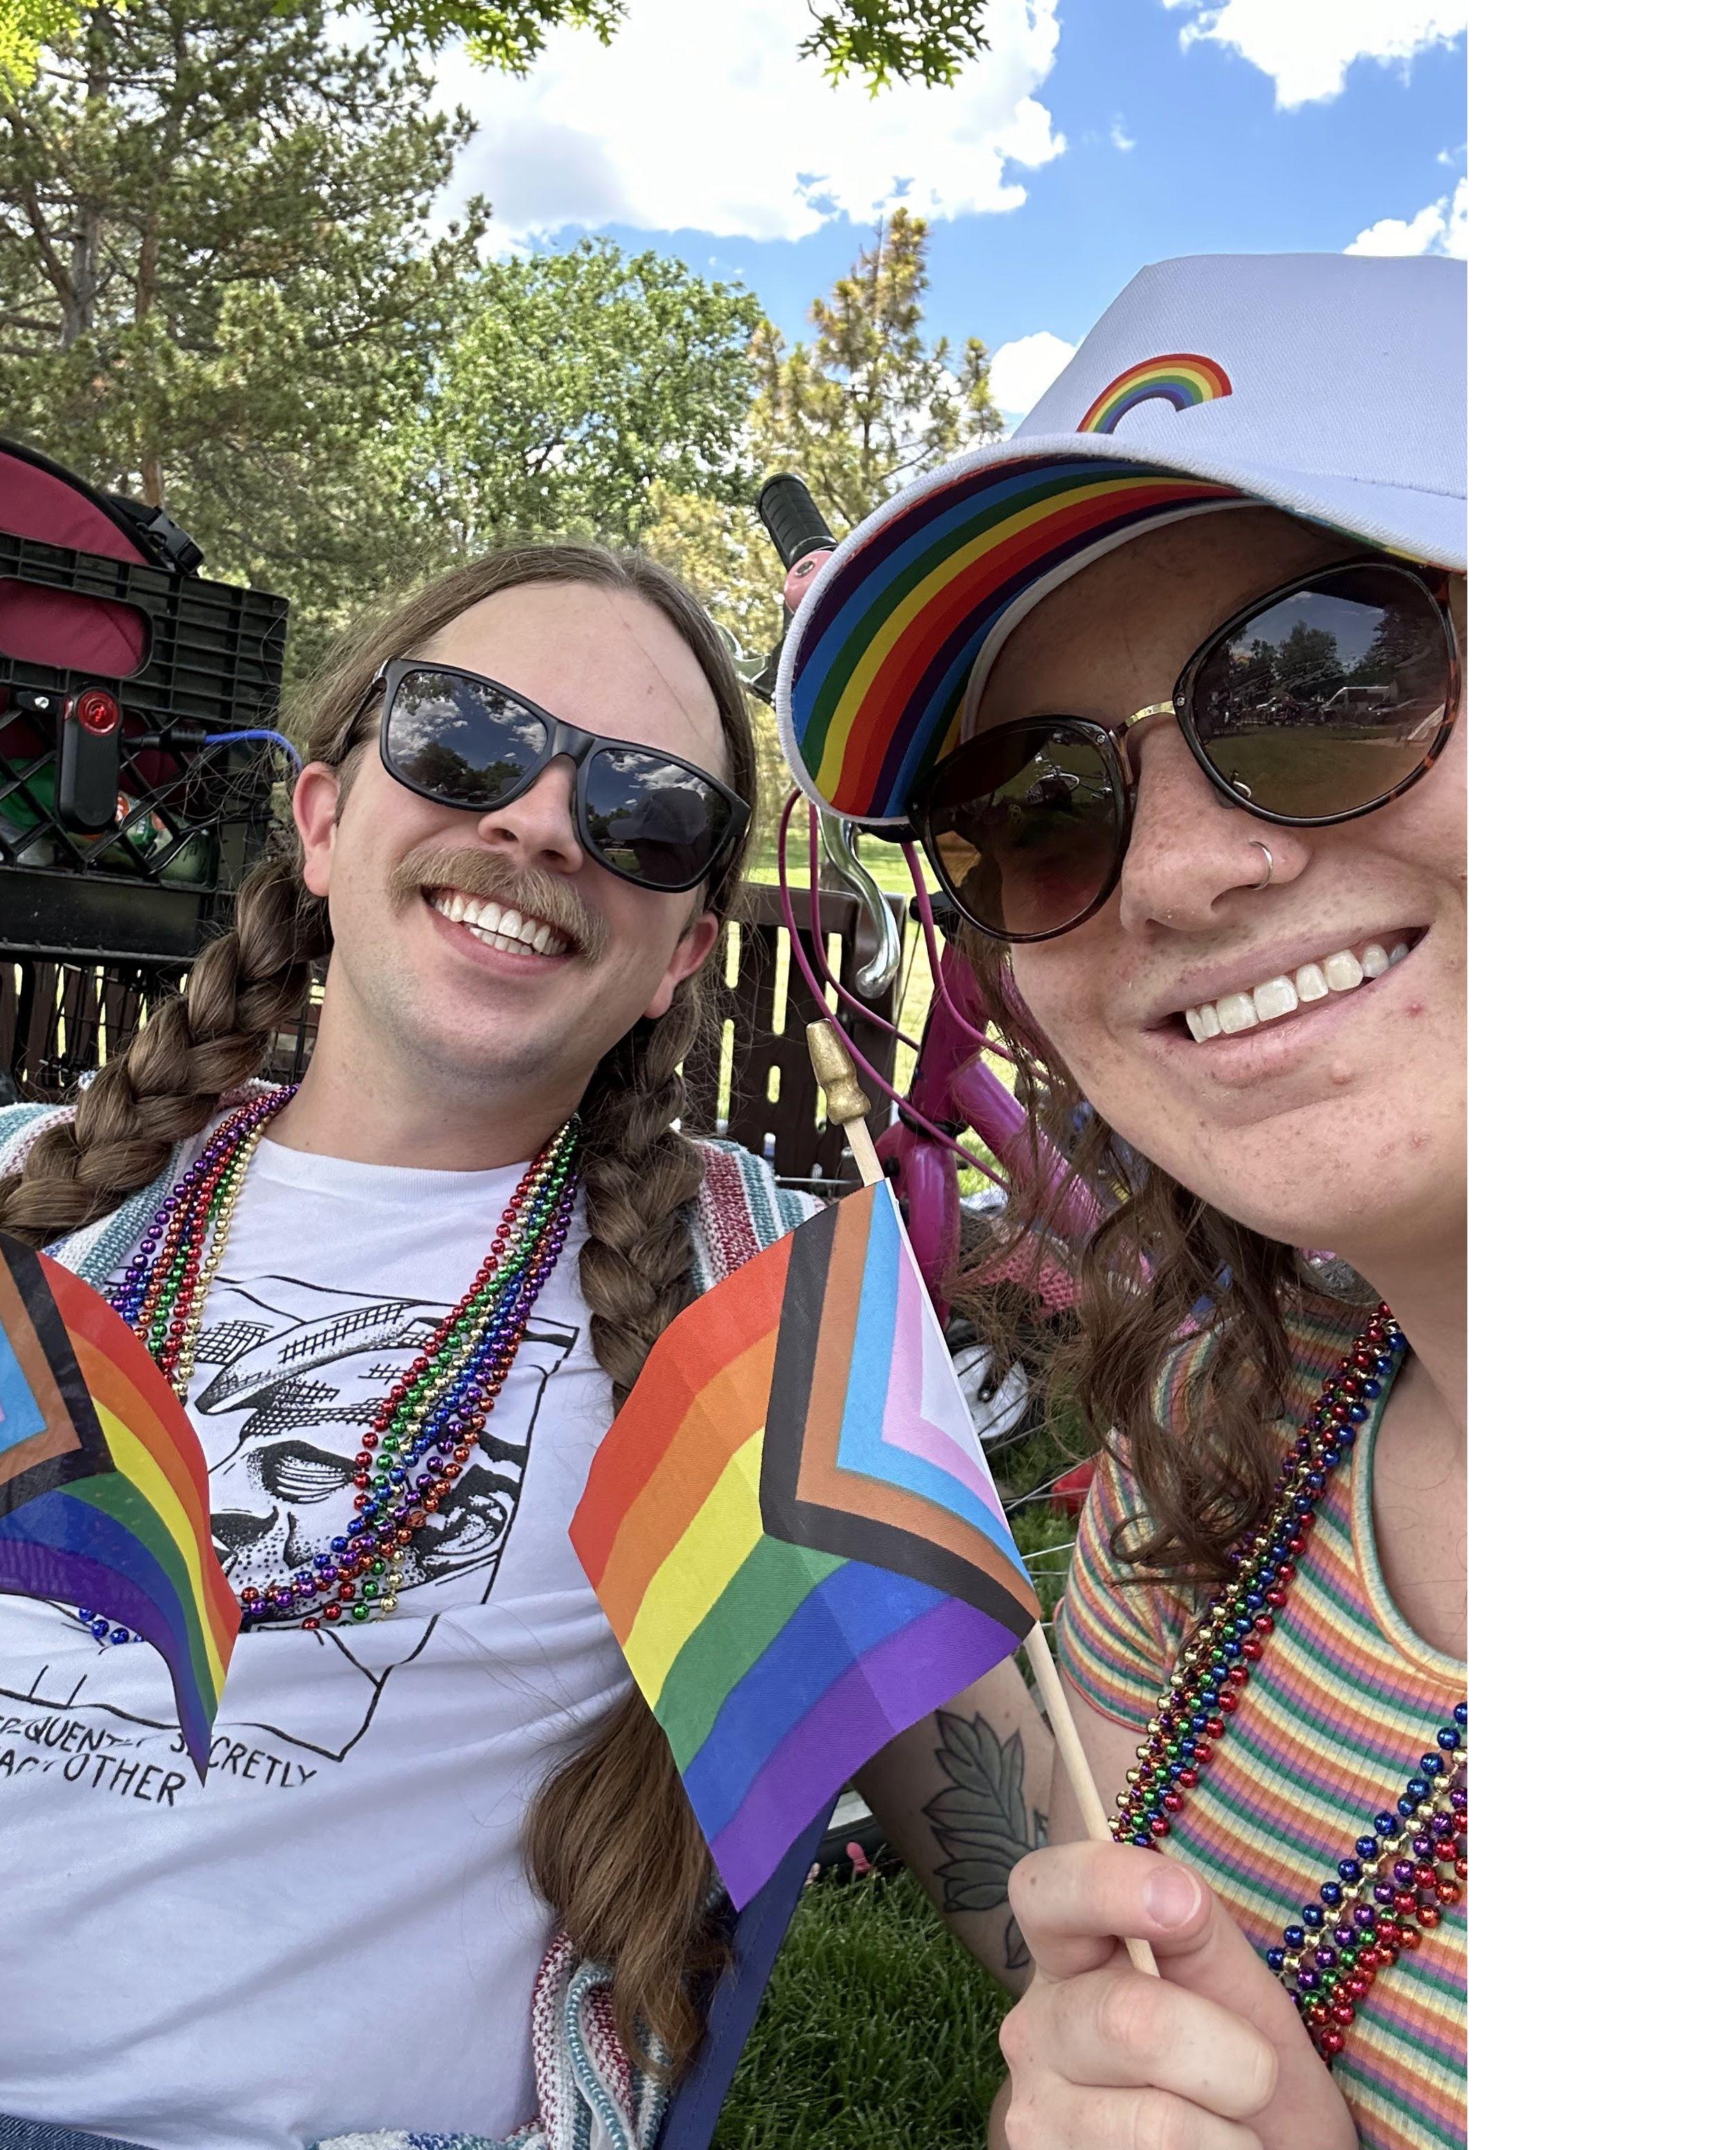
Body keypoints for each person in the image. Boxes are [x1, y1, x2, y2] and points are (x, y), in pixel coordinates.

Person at [0, 544, 816, 2150]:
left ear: (680, 954)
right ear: (318, 819)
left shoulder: (753, 1285)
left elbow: (996, 1762)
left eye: (644, 809)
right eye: (466, 740)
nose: (539, 823)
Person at [775, 252, 1467, 2150]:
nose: (1170, 872)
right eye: (1036, 803)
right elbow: (1067, 1921)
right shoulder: (1227, 1414)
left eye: (1327, 673)